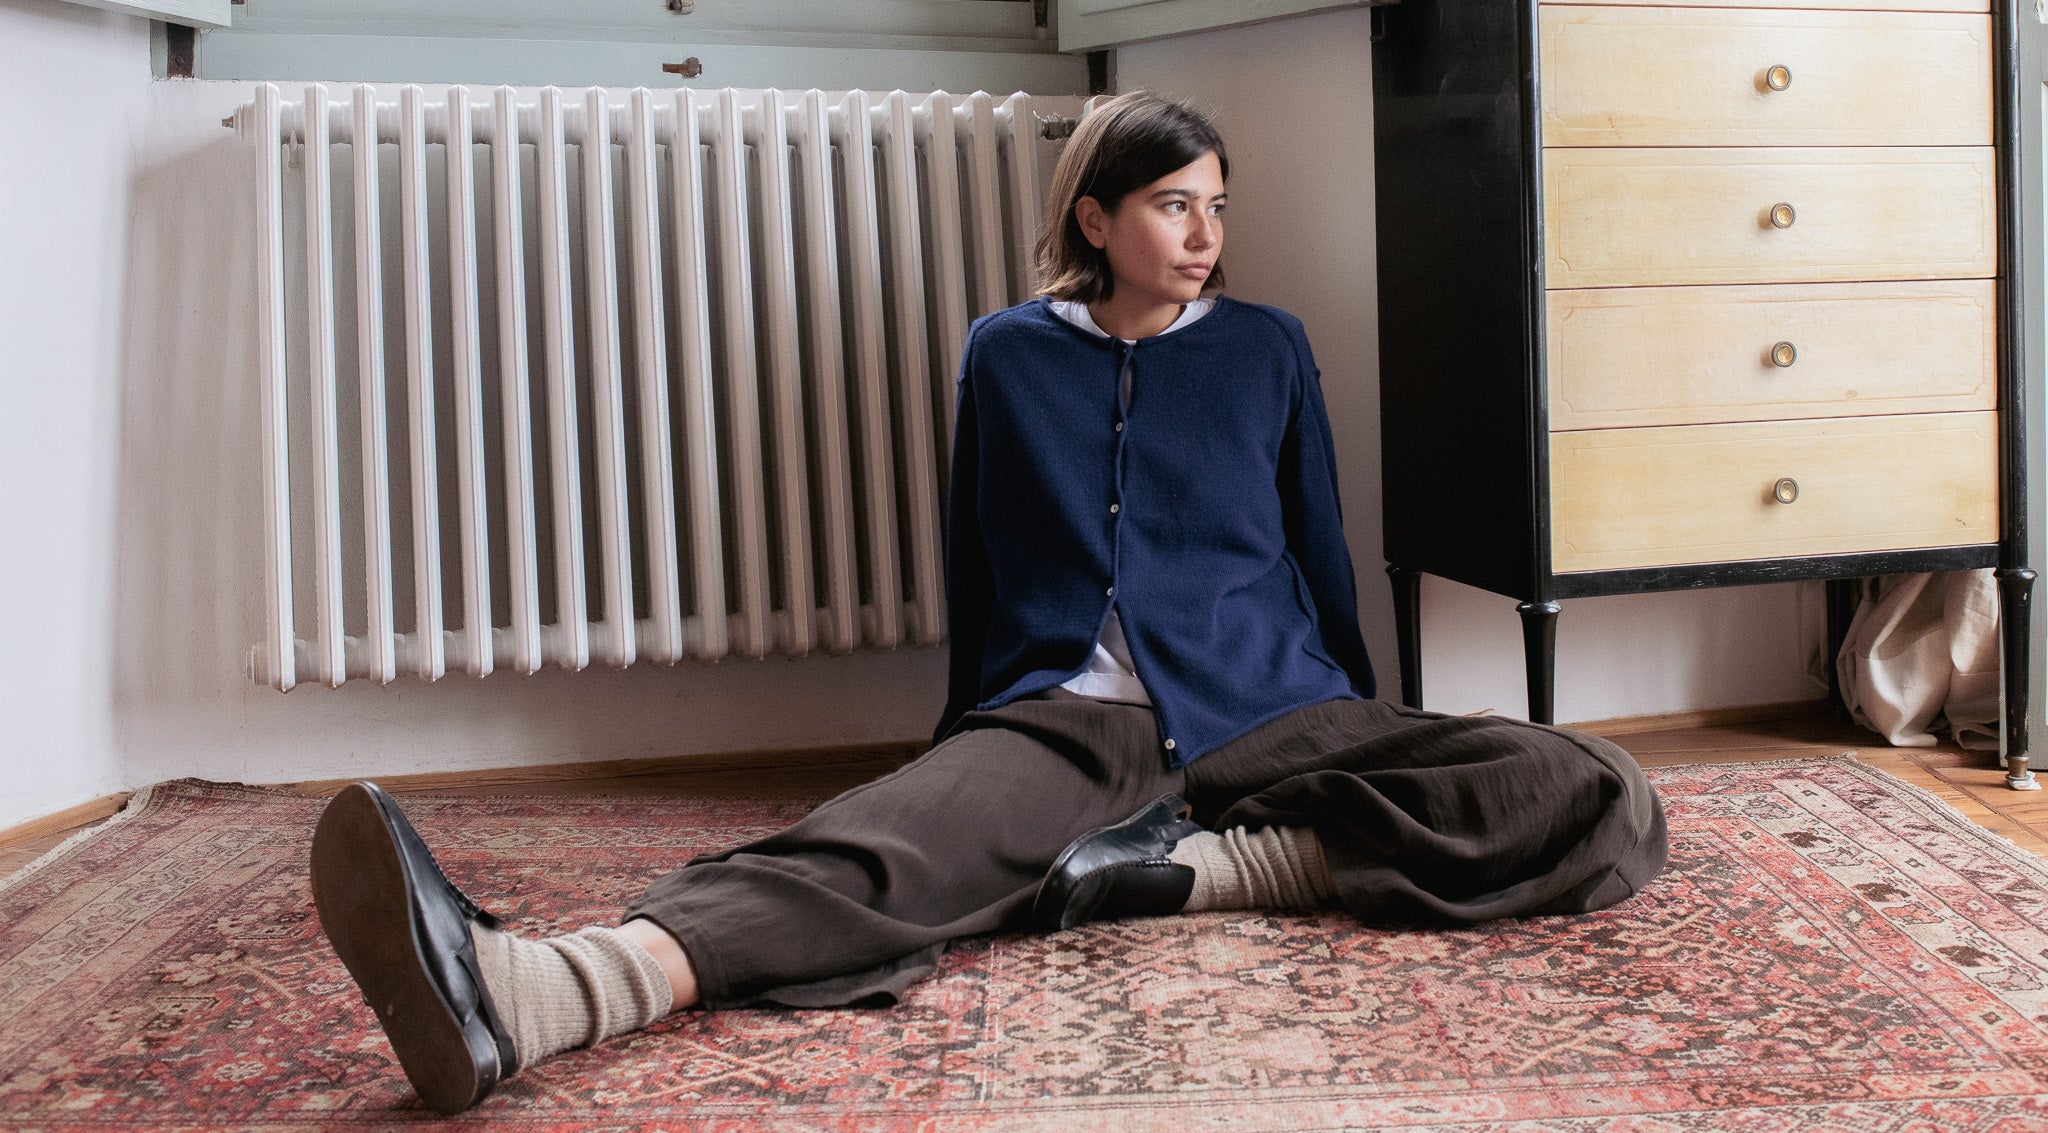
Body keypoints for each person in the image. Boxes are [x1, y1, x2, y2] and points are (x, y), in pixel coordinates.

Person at [309, 91, 1668, 1115]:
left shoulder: (1270, 349)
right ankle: (546, 992)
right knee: (881, 848)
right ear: (1095, 218)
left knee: (1596, 784)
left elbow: (1320, 542)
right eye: (1173, 206)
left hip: (1273, 702)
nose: (1205, 235)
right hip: (1069, 715)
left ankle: (1207, 872)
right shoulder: (1007, 355)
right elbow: (978, 553)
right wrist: (963, 742)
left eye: (1216, 207)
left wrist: (1362, 718)